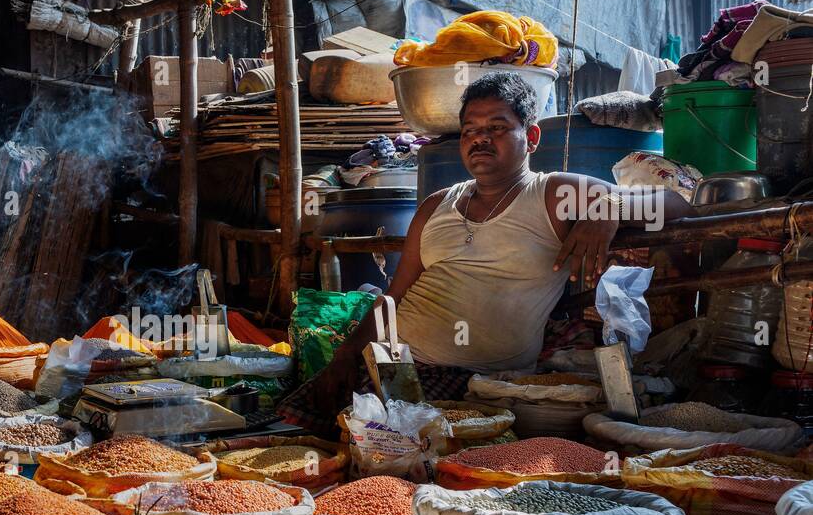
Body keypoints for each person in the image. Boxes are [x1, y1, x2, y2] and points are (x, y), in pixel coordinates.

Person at [280, 72, 693, 430]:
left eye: (497, 127)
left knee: (398, 456)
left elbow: (676, 204)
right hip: (390, 362)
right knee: (302, 436)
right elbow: (395, 296)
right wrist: (345, 356)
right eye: (470, 130)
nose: (480, 139)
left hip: (472, 379)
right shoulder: (435, 205)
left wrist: (610, 207)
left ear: (531, 137)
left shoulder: (551, 193)